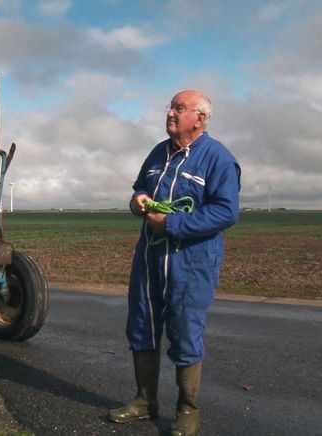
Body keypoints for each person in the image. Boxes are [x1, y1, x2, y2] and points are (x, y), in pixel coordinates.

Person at [108, 90, 240, 436]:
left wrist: (172, 224)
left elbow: (226, 211)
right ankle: (143, 400)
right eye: (170, 106)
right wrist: (138, 201)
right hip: (149, 257)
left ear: (200, 118)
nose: (170, 112)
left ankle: (187, 410)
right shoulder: (157, 152)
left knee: (184, 333)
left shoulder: (218, 158)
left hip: (191, 261)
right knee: (141, 325)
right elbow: (139, 188)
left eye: (179, 108)